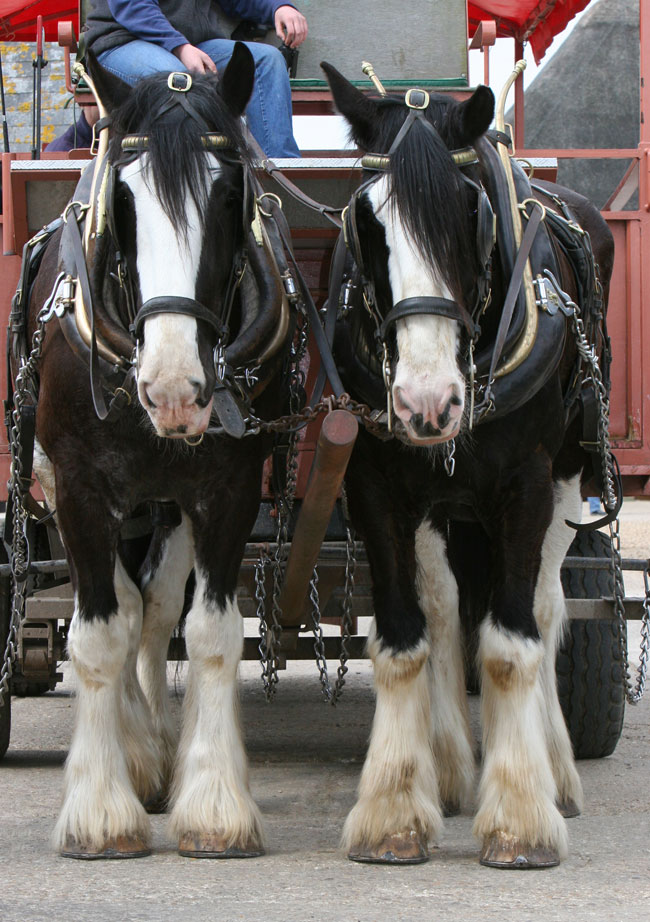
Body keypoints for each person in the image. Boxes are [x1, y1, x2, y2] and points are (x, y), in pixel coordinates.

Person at [83, 1, 307, 157]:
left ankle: (277, 179)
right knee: (179, 81)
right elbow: (133, 6)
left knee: (266, 61)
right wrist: (179, 47)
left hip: (190, 44)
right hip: (123, 41)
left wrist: (278, 7)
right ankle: (195, 182)